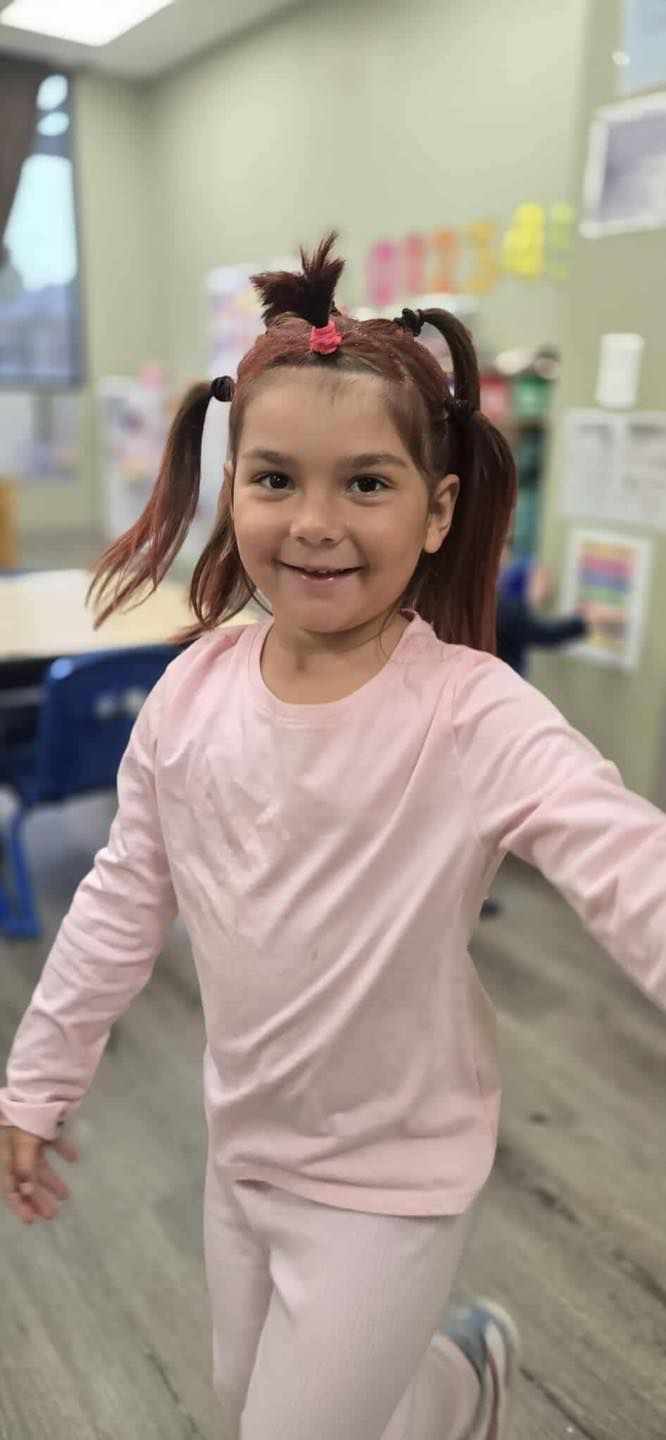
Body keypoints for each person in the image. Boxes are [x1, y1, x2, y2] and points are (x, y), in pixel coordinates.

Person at [1, 237, 664, 1440]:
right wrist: (38, 1079)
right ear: (231, 486)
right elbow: (119, 895)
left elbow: (625, 859)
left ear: (436, 508)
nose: (314, 523)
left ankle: (452, 1387)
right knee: (251, 1401)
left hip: (395, 1183)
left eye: (366, 483)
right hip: (243, 1149)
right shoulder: (191, 695)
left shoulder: (472, 711)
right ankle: (460, 1386)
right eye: (274, 481)